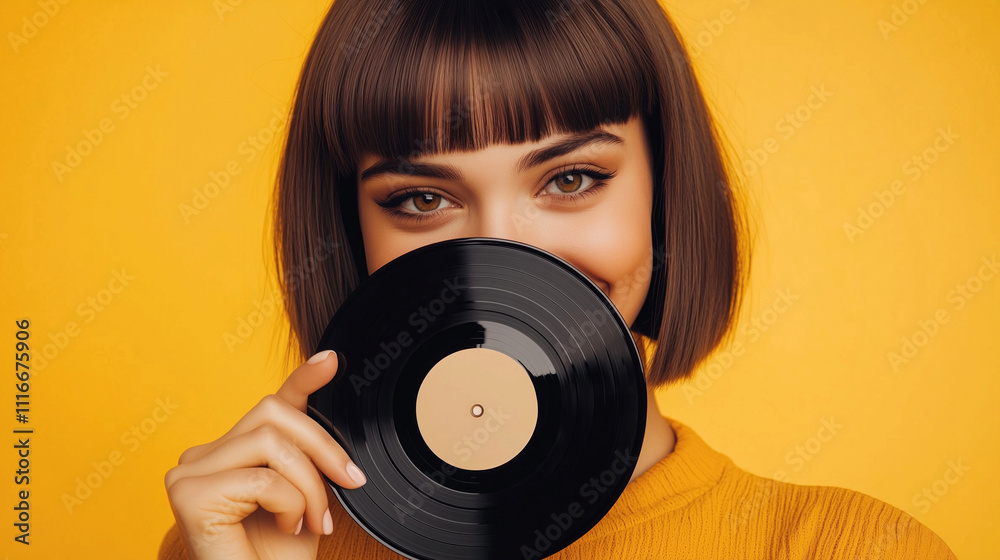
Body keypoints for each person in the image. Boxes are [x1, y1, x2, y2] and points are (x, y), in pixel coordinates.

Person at [159, 0, 958, 558]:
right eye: (423, 199)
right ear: (350, 232)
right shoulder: (254, 540)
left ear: (665, 193)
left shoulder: (848, 549)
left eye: (571, 180)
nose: (503, 253)